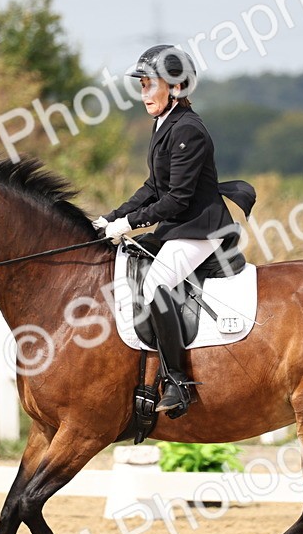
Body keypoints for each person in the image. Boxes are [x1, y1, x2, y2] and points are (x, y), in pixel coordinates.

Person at [93, 44, 237, 419]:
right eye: (141, 86)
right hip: (179, 225)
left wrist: (129, 224)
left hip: (200, 229)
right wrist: (110, 218)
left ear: (175, 88)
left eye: (149, 85)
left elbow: (176, 199)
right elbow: (152, 187)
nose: (143, 95)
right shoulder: (164, 124)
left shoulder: (189, 129)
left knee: (156, 285)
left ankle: (178, 381)